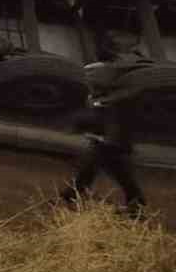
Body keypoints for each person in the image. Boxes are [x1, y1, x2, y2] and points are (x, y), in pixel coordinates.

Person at [63, 61, 148, 217]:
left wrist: (105, 137)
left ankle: (137, 206)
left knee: (121, 177)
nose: (87, 79)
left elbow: (116, 122)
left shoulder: (116, 98)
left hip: (114, 146)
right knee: (88, 171)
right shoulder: (95, 96)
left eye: (91, 75)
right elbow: (96, 117)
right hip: (103, 143)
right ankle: (70, 196)